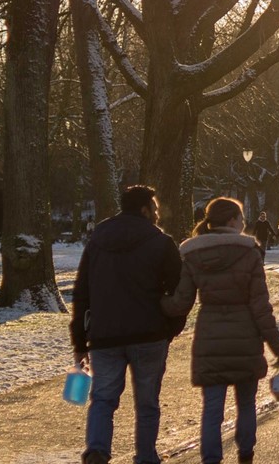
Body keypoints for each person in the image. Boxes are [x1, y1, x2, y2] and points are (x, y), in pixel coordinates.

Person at [162, 197, 279, 464]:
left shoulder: (194, 255)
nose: (244, 223)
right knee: (246, 404)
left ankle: (211, 459)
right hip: (245, 341)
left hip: (210, 339)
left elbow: (180, 303)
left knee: (211, 409)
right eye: (242, 218)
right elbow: (261, 308)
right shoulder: (249, 253)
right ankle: (245, 455)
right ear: (232, 221)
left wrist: (155, 302)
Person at [70, 185, 183, 464]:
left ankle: (97, 450)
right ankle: (145, 456)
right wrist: (170, 328)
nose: (157, 214)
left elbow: (82, 290)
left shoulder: (98, 240)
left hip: (105, 335)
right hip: (150, 333)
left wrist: (80, 339)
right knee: (147, 403)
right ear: (144, 209)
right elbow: (179, 291)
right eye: (154, 208)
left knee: (103, 399)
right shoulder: (162, 242)